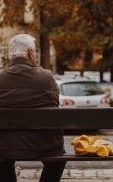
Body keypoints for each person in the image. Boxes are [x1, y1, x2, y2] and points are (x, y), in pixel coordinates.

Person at [0, 34, 66, 182]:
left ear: (10, 56)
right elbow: (55, 101)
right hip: (45, 145)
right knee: (57, 161)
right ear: (30, 53)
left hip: (4, 147)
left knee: (2, 161)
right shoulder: (46, 78)